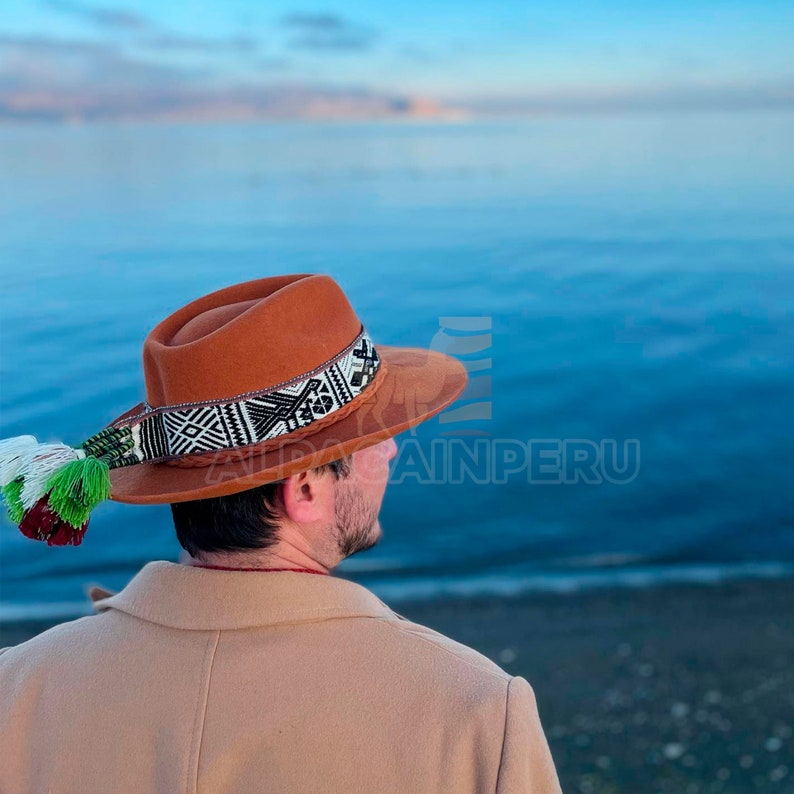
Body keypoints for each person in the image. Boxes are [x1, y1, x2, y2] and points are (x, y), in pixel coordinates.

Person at [0, 274, 562, 793]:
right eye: (373, 434)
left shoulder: (16, 687)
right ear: (306, 490)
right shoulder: (477, 713)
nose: (391, 448)